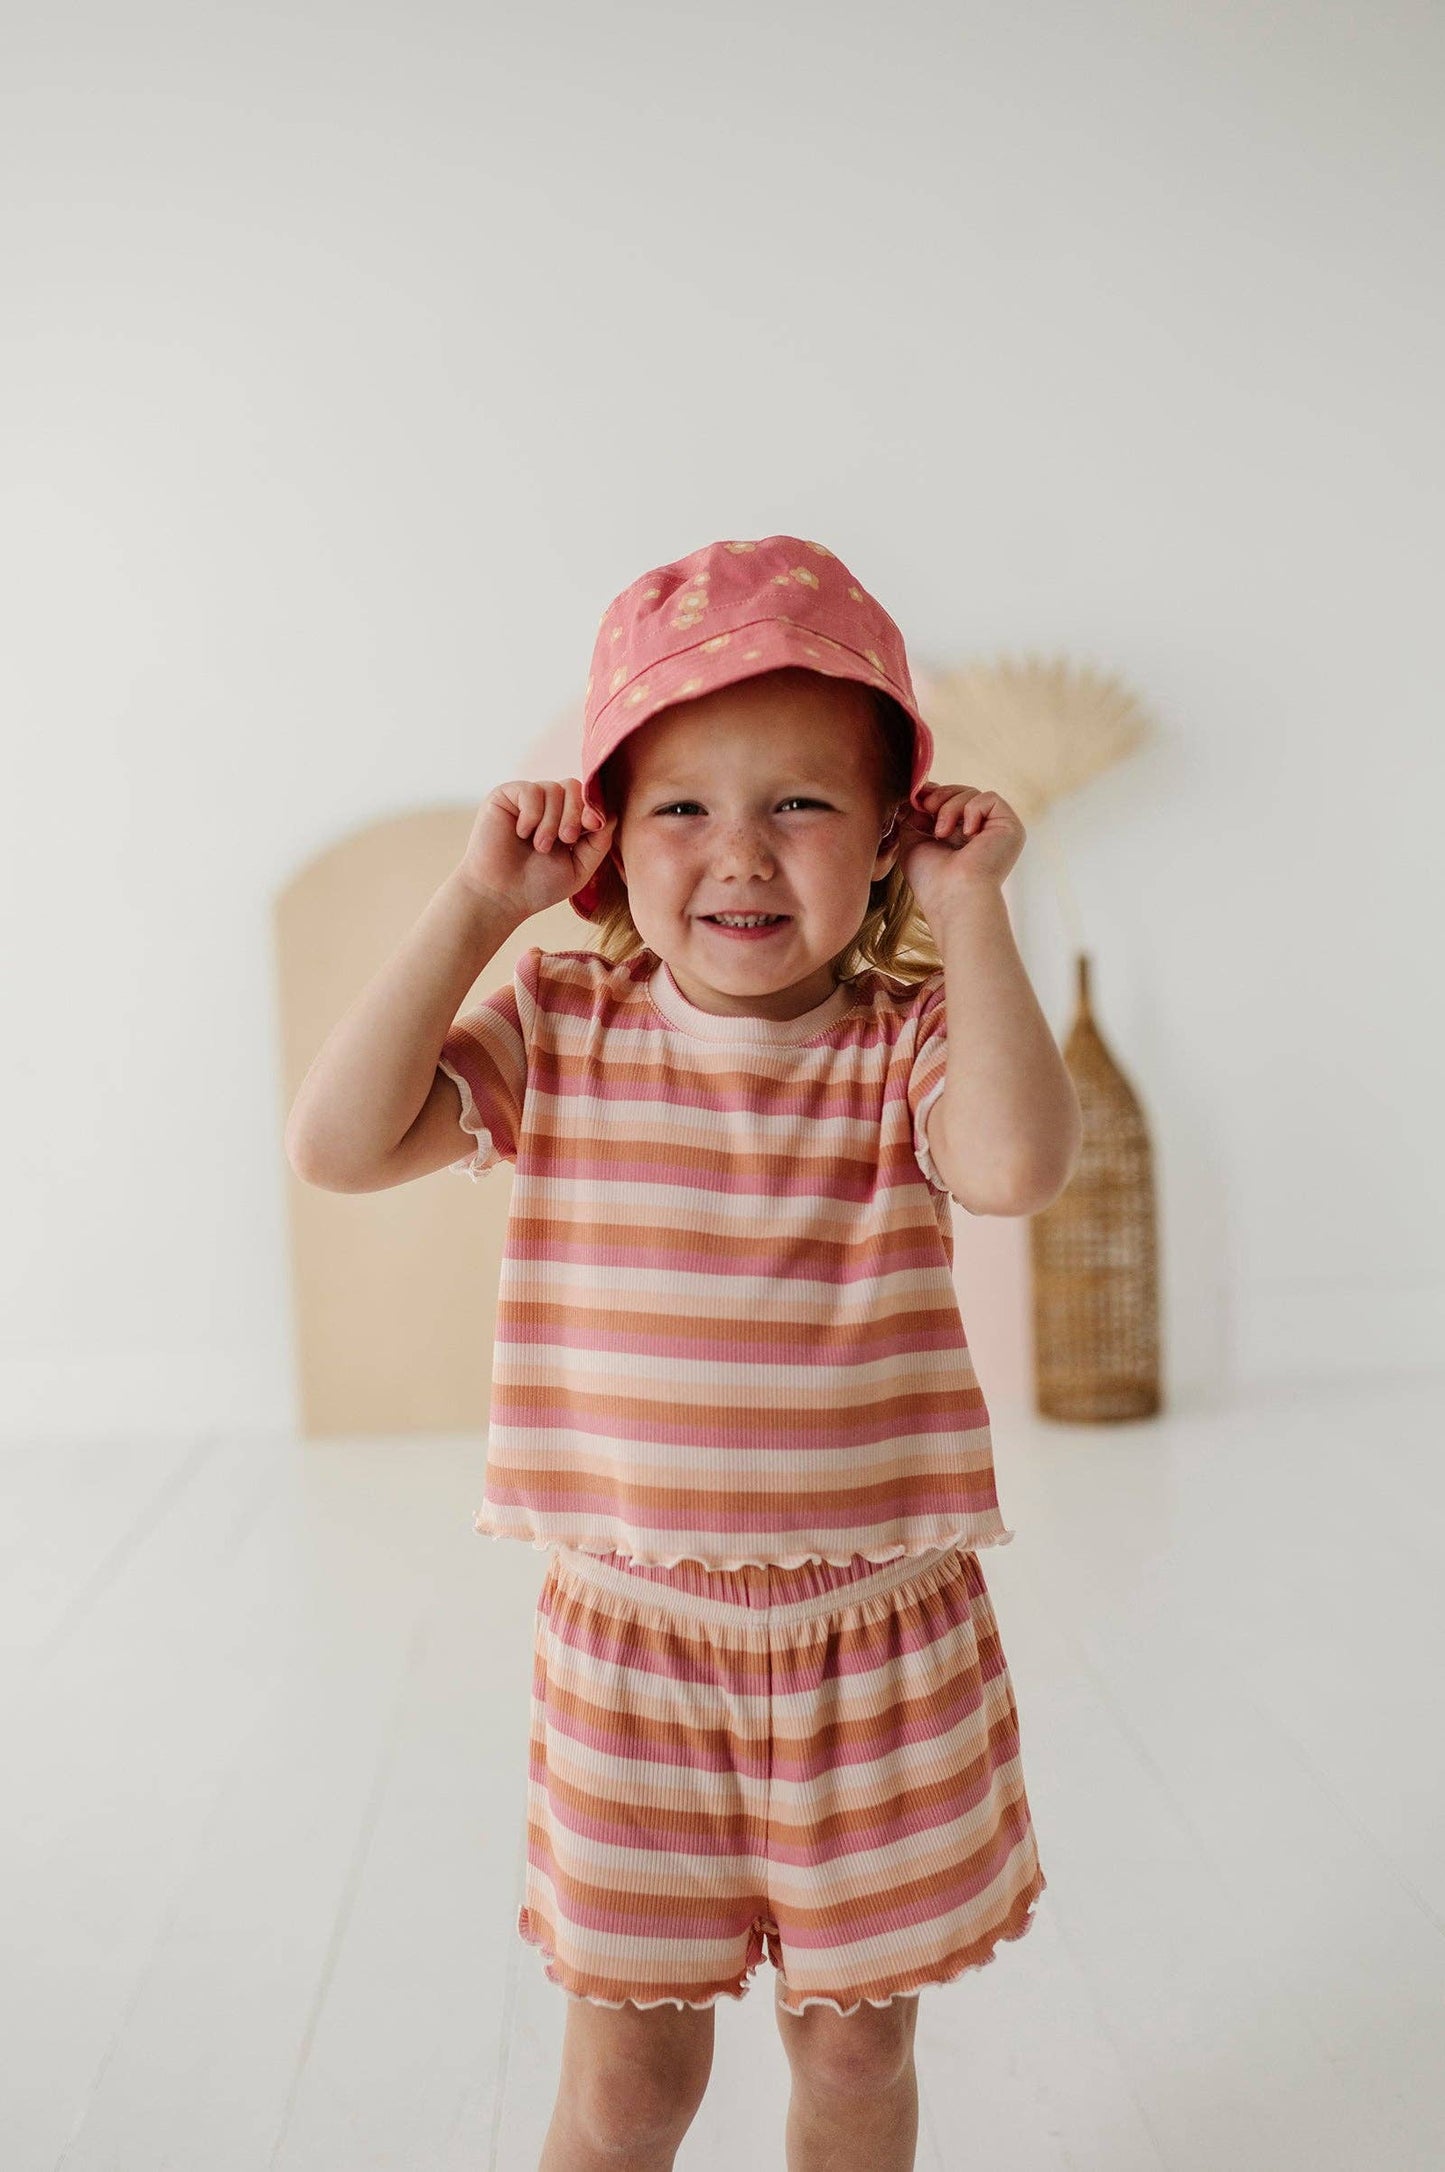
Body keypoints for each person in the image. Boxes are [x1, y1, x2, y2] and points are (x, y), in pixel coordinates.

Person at [286, 534, 1082, 2172]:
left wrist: (972, 910)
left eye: (798, 803)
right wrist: (474, 904)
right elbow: (339, 1145)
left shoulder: (908, 1043)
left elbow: (1012, 1167)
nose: (739, 854)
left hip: (876, 1640)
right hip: (635, 1652)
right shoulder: (563, 1027)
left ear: (889, 834)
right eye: (680, 807)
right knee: (630, 2088)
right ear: (602, 834)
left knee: (854, 2053)